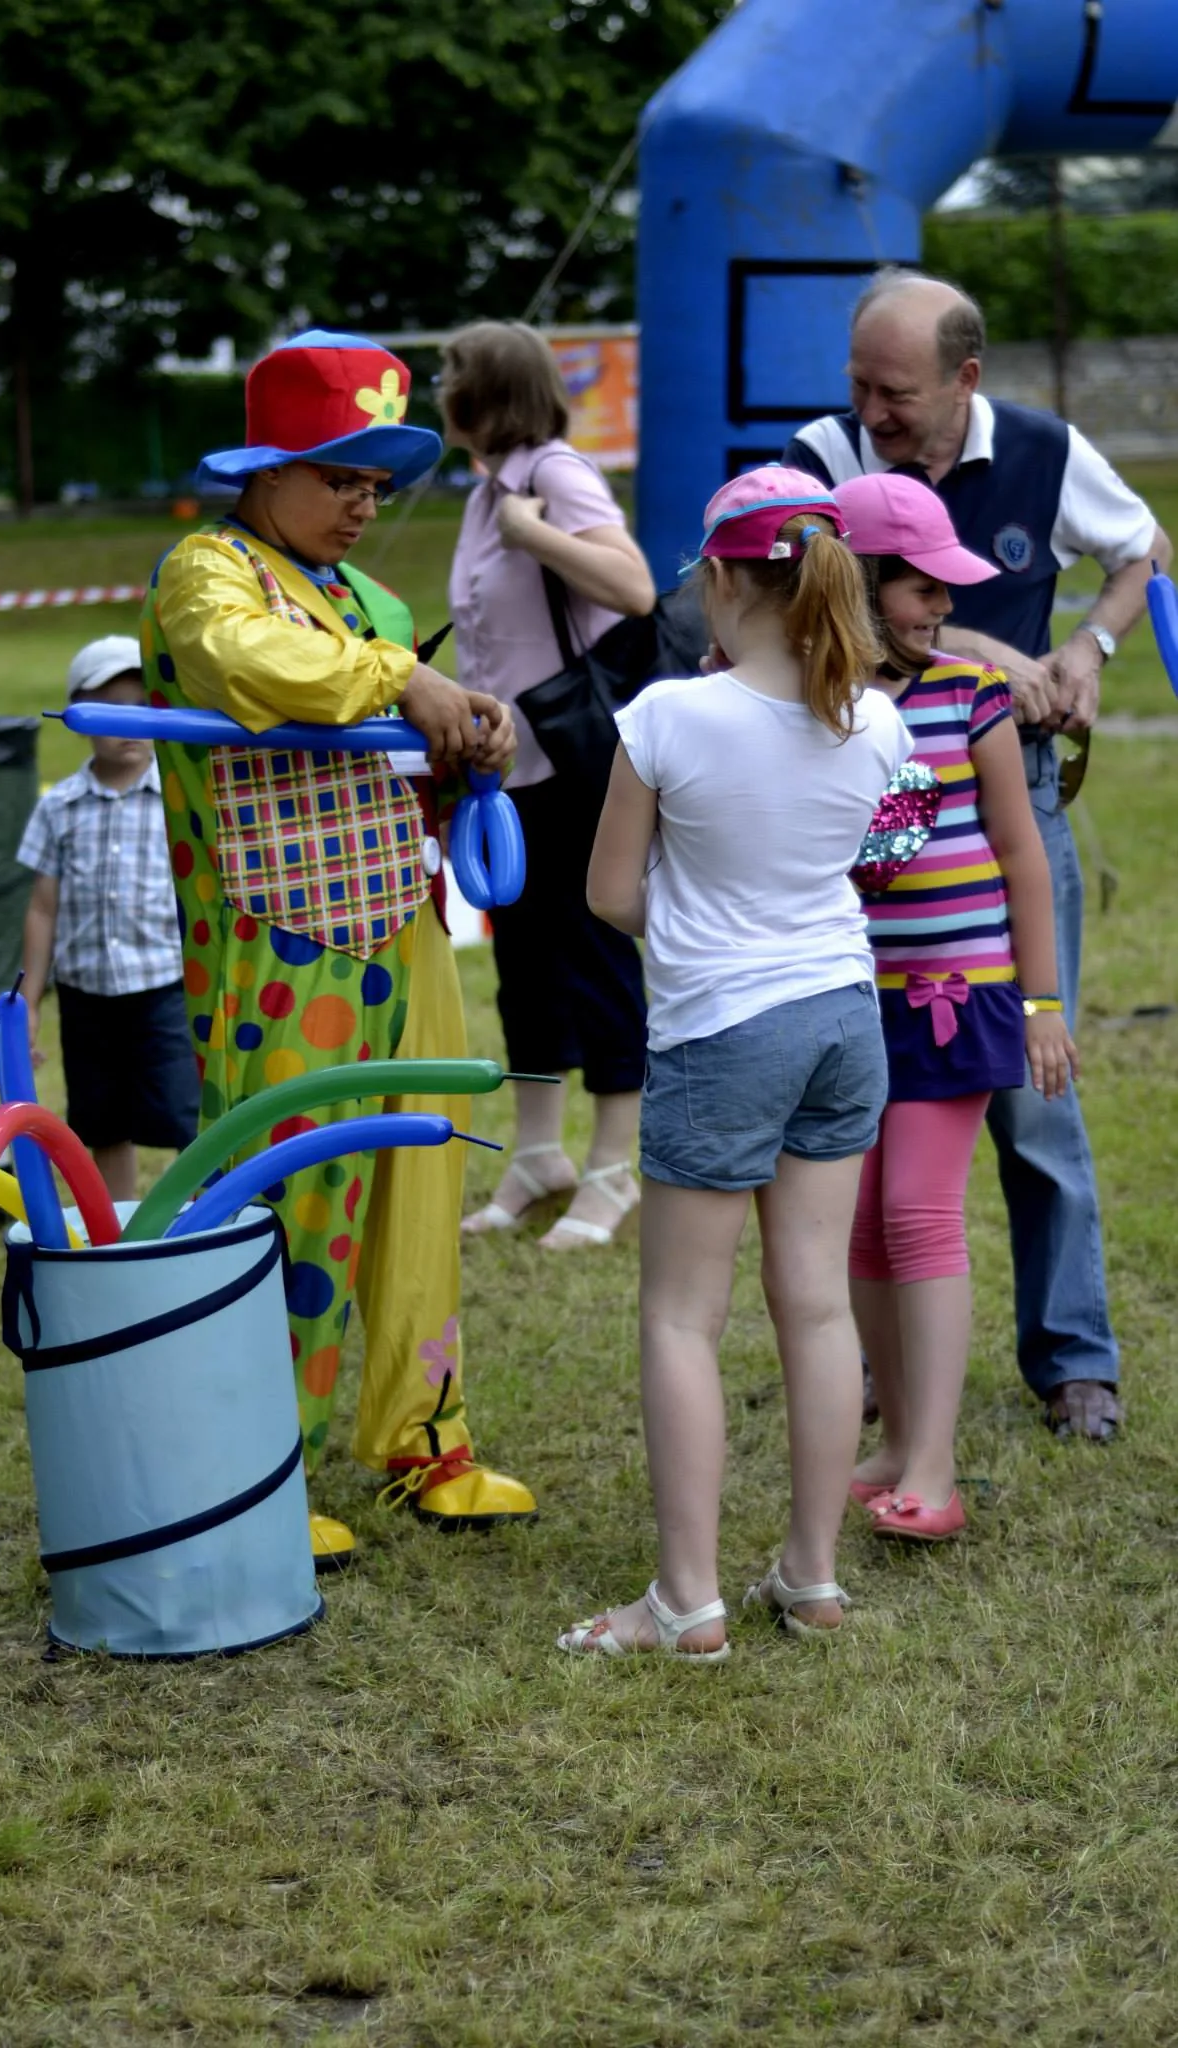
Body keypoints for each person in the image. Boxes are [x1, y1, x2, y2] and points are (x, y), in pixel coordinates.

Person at [143, 328, 536, 1567]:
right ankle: (263, 1457)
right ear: (264, 470)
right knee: (293, 1192)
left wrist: (469, 735)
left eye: (376, 482)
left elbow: (388, 727)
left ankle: (423, 1432)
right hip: (276, 947)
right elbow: (258, 668)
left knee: (423, 1172)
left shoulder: (374, 601)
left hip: (398, 920)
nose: (362, 504)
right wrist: (401, 682)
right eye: (338, 476)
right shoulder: (203, 573)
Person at [784, 269, 1173, 1443]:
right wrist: (980, 649)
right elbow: (780, 605)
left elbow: (1144, 545)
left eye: (892, 390)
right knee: (845, 1098)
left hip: (1009, 807)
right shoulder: (816, 456)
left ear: (966, 378)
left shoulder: (1045, 449)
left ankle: (1073, 1360)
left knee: (1032, 1094)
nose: (869, 410)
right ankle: (852, 1355)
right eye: (857, 383)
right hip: (850, 819)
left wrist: (1090, 651)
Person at [557, 469, 909, 1660]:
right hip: (841, 1018)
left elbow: (610, 895)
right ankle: (810, 1578)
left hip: (721, 1030)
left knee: (679, 1317)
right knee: (814, 1303)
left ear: (716, 577)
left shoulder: (665, 716)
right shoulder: (877, 716)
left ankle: (684, 1599)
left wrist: (697, 920)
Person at [834, 472, 1077, 1541]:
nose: (940, 606)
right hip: (847, 1006)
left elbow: (1022, 855)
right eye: (920, 587)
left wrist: (1041, 1001)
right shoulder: (818, 705)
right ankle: (890, 1441)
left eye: (945, 588)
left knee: (916, 1215)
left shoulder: (967, 694)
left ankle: (930, 1463)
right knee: (858, 1226)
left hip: (955, 1000)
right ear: (853, 583)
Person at [441, 322, 655, 1250]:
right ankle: (538, 1156)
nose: (435, 387)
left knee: (593, 957)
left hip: (574, 764)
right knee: (524, 965)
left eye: (449, 373)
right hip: (506, 771)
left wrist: (534, 531)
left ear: (485, 388)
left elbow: (637, 587)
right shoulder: (487, 487)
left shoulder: (550, 474)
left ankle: (614, 1166)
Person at [17, 637, 200, 1201]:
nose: (129, 724)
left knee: (183, 1115)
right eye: (111, 709)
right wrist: (29, 1001)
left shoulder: (178, 798)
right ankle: (117, 1225)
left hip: (162, 988)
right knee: (102, 1119)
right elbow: (42, 908)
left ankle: (204, 1219)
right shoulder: (60, 806)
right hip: (86, 996)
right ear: (79, 716)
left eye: (140, 707)